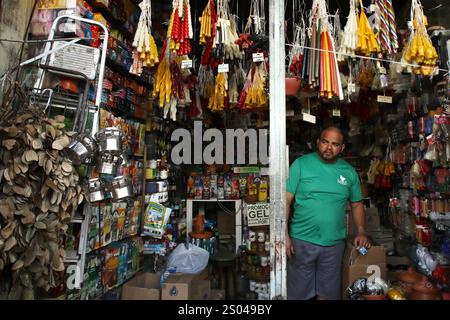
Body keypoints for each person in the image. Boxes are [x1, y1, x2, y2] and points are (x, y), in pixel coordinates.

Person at [286, 126, 371, 300]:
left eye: (335, 144)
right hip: (301, 242)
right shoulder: (301, 165)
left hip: (333, 245)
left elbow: (356, 204)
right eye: (325, 142)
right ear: (318, 142)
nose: (329, 147)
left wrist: (361, 230)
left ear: (342, 148)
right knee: (298, 295)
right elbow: (285, 200)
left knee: (327, 294)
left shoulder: (349, 172)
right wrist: (283, 234)